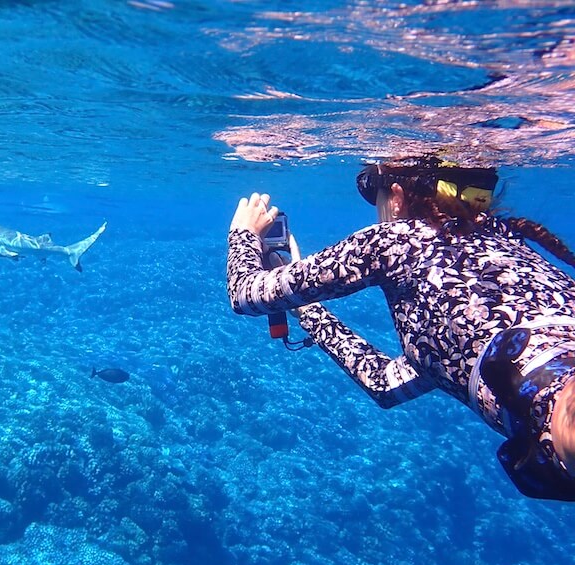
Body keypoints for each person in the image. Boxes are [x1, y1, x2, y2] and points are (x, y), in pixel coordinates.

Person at [226, 157, 575, 500]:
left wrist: (243, 234)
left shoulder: (394, 240)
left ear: (396, 194)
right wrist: (307, 310)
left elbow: (245, 293)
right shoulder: (509, 237)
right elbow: (387, 383)